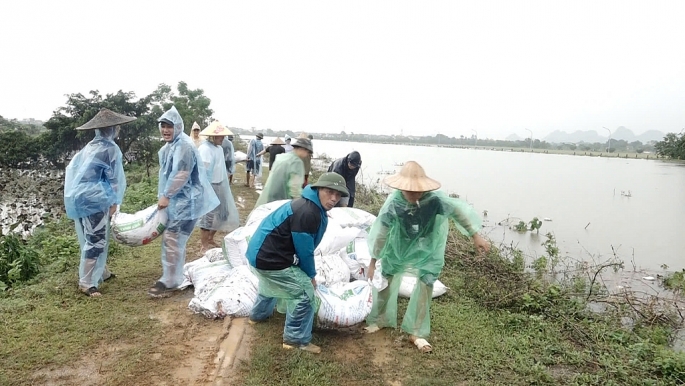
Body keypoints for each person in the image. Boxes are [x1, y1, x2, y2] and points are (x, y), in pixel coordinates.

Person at [364, 161, 490, 353]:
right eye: (409, 190)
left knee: (426, 283)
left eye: (418, 190)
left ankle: (416, 331)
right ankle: (380, 319)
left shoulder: (435, 201)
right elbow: (381, 231)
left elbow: (459, 214)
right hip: (398, 247)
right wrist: (374, 260)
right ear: (401, 187)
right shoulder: (394, 203)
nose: (414, 194)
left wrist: (475, 235)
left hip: (428, 249)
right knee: (387, 277)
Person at [246, 172, 350, 354]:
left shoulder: (308, 204)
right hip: (270, 257)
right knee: (304, 293)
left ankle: (257, 316)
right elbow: (304, 250)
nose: (334, 198)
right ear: (318, 189)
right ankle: (295, 340)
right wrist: (310, 276)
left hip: (260, 254)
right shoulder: (309, 212)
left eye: (338, 194)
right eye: (329, 192)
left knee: (270, 283)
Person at [64, 108, 134, 297]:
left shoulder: (89, 147)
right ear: (112, 128)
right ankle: (86, 282)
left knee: (91, 235)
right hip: (95, 197)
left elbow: (73, 170)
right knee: (96, 240)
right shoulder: (110, 148)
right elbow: (114, 178)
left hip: (79, 197)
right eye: (116, 127)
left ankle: (101, 271)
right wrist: (114, 201)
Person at [150, 106, 219, 297]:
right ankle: (173, 276)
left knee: (172, 238)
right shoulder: (171, 146)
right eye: (163, 126)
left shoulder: (184, 146)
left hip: (186, 201)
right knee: (175, 240)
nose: (165, 130)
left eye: (169, 126)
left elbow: (181, 174)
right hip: (180, 201)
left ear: (178, 127)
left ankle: (171, 280)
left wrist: (167, 195)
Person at [198, 121, 240, 252]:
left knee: (223, 213)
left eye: (223, 136)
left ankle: (210, 237)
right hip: (209, 186)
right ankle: (204, 246)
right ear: (212, 136)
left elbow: (220, 167)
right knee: (208, 216)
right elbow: (202, 171)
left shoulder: (219, 148)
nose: (222, 138)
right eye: (219, 136)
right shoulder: (205, 149)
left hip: (220, 184)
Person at [254, 137, 313, 207]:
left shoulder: (281, 157)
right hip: (283, 199)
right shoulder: (296, 162)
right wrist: (299, 205)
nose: (307, 154)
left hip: (272, 193)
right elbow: (295, 188)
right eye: (308, 152)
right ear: (302, 149)